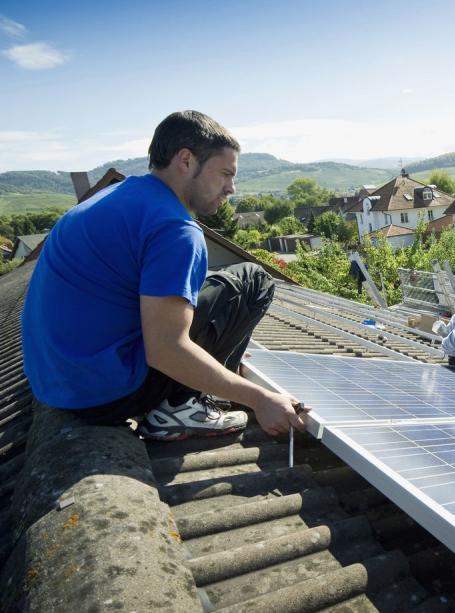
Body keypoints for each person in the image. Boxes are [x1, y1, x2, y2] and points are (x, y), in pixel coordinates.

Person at [21, 110, 306, 440]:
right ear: (186, 160)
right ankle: (181, 405)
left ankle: (214, 374)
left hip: (58, 383)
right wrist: (261, 399)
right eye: (225, 174)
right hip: (105, 395)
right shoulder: (174, 228)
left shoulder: (118, 198)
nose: (232, 188)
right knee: (253, 279)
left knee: (204, 286)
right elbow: (166, 349)